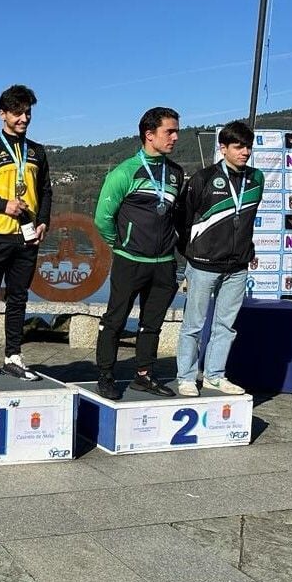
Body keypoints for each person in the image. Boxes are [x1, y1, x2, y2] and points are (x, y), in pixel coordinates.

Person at [93, 107, 185, 400]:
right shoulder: (125, 171)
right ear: (149, 135)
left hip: (164, 264)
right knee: (115, 320)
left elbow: (175, 217)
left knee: (152, 324)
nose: (175, 137)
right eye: (169, 131)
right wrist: (120, 245)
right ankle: (105, 375)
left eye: (176, 131)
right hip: (130, 261)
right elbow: (102, 218)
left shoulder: (175, 173)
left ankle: (143, 376)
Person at [0, 85, 53, 382]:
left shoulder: (38, 152)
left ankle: (13, 356)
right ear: (2, 114)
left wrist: (43, 223)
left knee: (18, 299)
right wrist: (3, 205)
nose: (24, 118)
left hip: (26, 238)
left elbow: (45, 191)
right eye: (18, 112)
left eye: (28, 112)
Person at [175, 121, 264, 395]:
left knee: (226, 325)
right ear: (223, 148)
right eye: (238, 146)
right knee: (194, 325)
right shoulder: (203, 178)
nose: (245, 152)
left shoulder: (257, 178)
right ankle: (187, 377)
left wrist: (247, 250)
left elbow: (244, 221)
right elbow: (182, 219)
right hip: (203, 266)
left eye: (248, 146)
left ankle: (214, 374)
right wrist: (192, 253)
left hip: (237, 267)